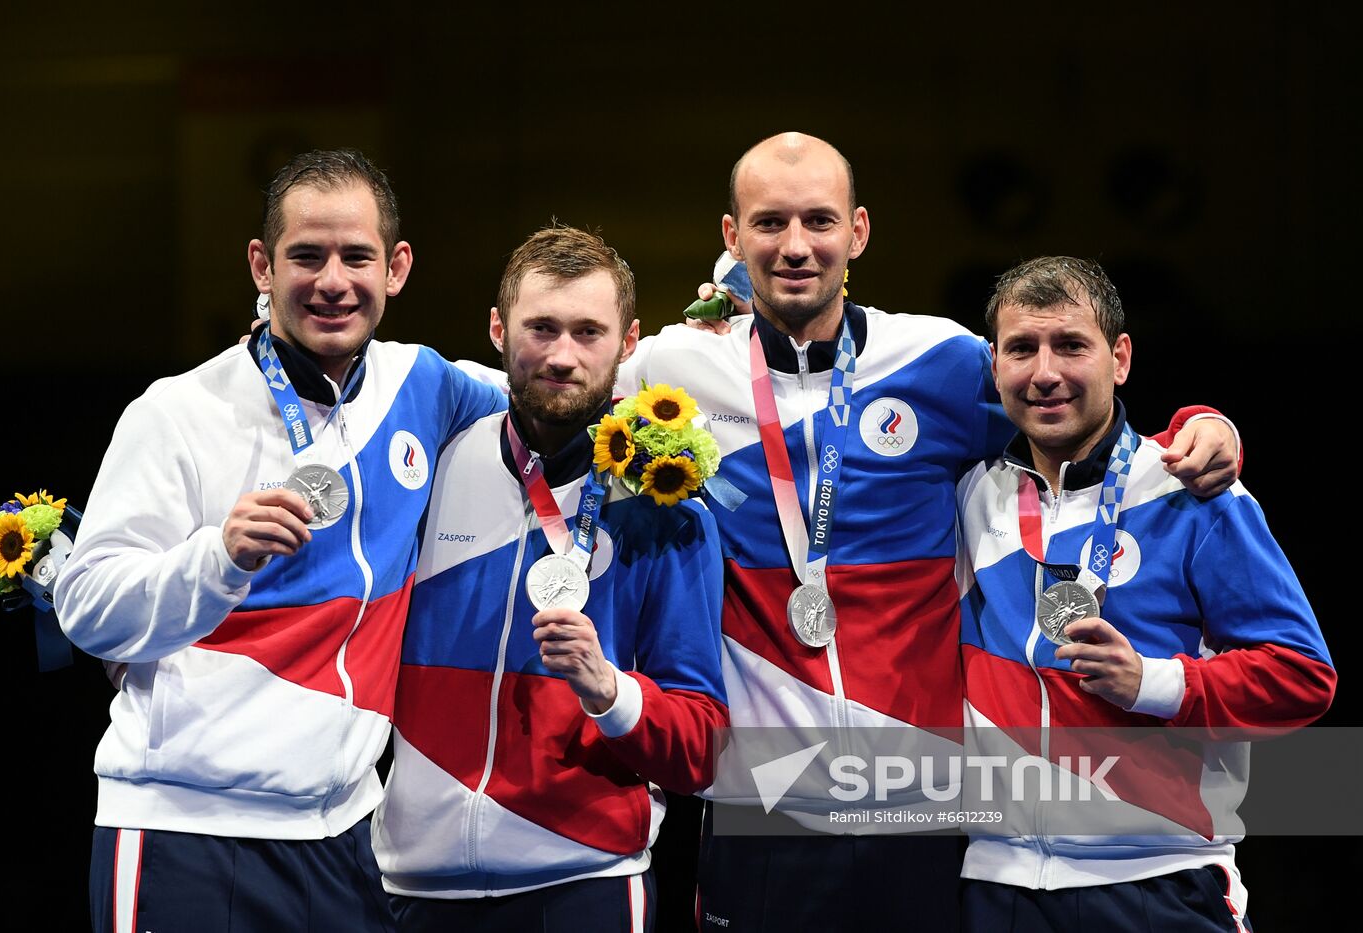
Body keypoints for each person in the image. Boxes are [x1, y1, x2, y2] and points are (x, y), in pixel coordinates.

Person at [610, 132, 1243, 931]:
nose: (797, 245)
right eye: (770, 223)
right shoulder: (669, 373)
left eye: (819, 220)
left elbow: (1074, 412)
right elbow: (548, 403)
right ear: (732, 237)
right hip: (762, 808)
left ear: (859, 231)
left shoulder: (940, 358)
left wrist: (1204, 424)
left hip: (925, 809)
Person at [54, 149, 506, 933]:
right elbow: (87, 608)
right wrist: (217, 556)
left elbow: (560, 380)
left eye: (357, 255)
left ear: (396, 267)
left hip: (346, 839)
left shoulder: (424, 385)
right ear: (262, 264)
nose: (334, 279)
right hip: (185, 830)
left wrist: (725, 327)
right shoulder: (177, 411)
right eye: (307, 254)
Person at [955, 256, 1334, 931]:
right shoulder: (967, 494)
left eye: (1071, 344)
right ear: (993, 364)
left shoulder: (1193, 492)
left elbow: (1303, 676)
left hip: (1158, 882)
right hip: (997, 885)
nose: (1046, 372)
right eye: (1022, 348)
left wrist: (1152, 683)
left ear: (1120, 358)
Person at [372, 224, 728, 932]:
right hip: (414, 886)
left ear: (628, 344)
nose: (562, 355)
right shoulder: (429, 463)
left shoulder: (667, 510)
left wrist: (609, 689)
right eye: (541, 328)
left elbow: (701, 746)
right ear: (499, 330)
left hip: (585, 883)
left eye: (587, 332)